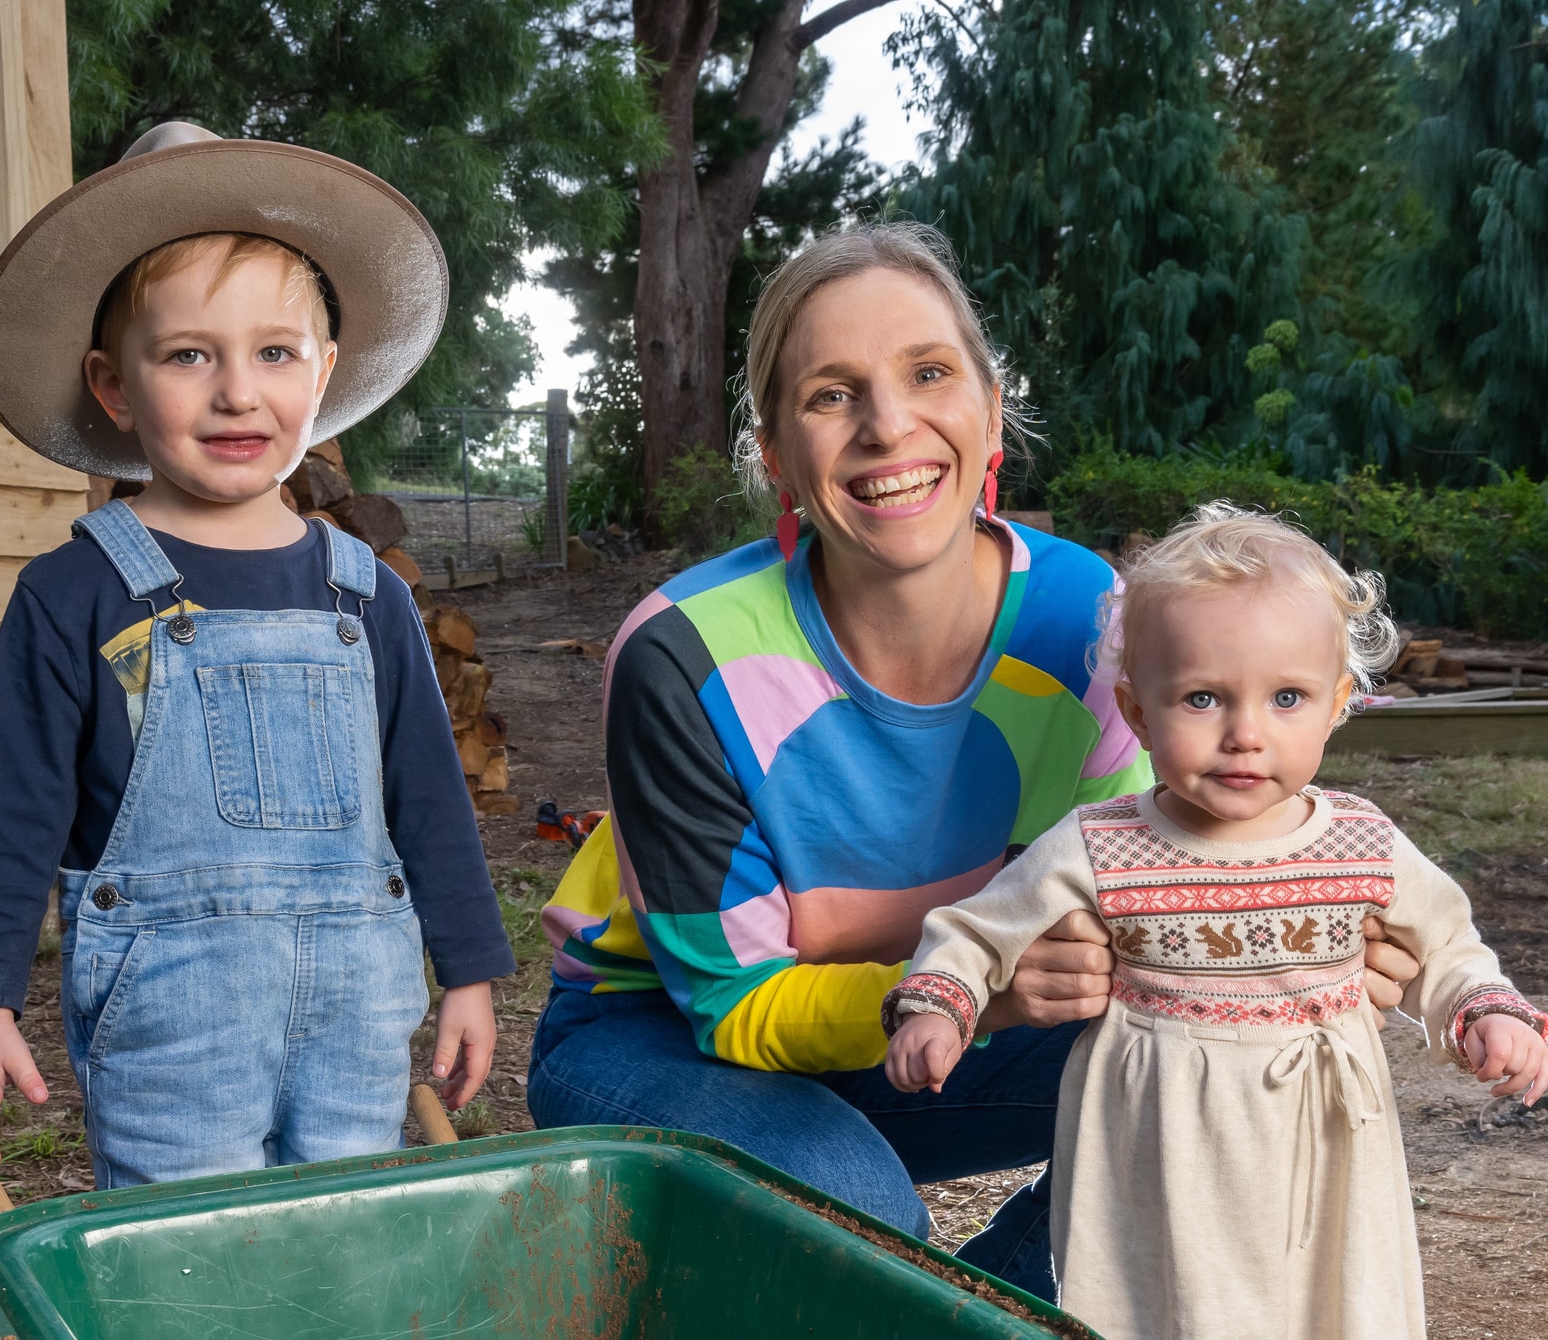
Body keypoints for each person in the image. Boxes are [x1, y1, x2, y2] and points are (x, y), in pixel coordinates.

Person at [527, 223, 1415, 1286]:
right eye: (829, 394)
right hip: (662, 1037)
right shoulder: (683, 655)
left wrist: (1311, 947)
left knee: (1241, 1072)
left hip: (929, 1024)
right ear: (774, 453)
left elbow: (1162, 890)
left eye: (930, 372)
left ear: (992, 411)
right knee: (854, 1209)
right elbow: (736, 1005)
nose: (888, 425)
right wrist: (977, 992)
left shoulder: (1094, 621)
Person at [0, 122, 514, 1340]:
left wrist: (468, 969)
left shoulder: (366, 591)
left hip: (349, 991)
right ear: (117, 389)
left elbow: (428, 806)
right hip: (174, 993)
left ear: (325, 370)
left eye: (271, 353)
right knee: (182, 1285)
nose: (235, 392)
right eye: (189, 356)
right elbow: (10, 818)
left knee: (339, 1260)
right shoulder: (79, 590)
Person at [883, 505, 1548, 1340]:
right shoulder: (1104, 843)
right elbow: (976, 928)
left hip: (1320, 1184)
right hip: (1155, 1181)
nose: (1247, 734)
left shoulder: (1362, 844)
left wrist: (1483, 1015)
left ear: (1340, 702)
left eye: (1287, 698)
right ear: (1135, 709)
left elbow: (1446, 942)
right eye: (1201, 699)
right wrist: (941, 1001)